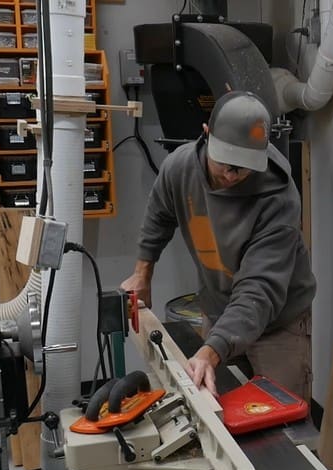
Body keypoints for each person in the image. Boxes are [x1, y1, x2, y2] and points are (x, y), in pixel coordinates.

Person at [121, 90, 316, 404]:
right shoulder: (180, 168)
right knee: (219, 411)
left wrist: (212, 350)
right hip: (219, 310)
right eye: (225, 162)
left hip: (278, 324)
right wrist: (143, 273)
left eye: (243, 166)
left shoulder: (278, 198)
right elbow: (159, 214)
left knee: (283, 430)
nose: (232, 174)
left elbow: (259, 290)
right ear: (206, 133)